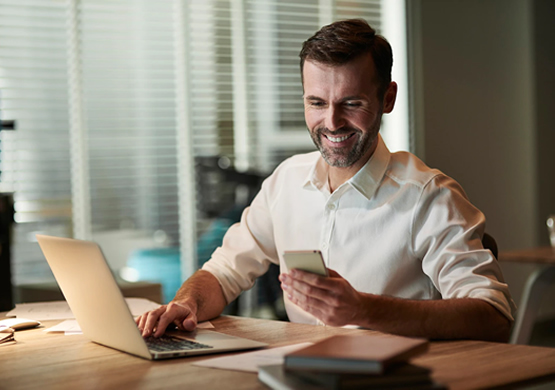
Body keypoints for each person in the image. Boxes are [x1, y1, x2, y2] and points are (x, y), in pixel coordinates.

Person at [137, 19, 515, 342]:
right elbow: (223, 272)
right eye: (317, 103)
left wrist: (365, 309)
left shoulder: (428, 197)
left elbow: (494, 316)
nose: (332, 123)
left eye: (351, 103)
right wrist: (186, 304)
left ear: (387, 98)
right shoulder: (287, 181)